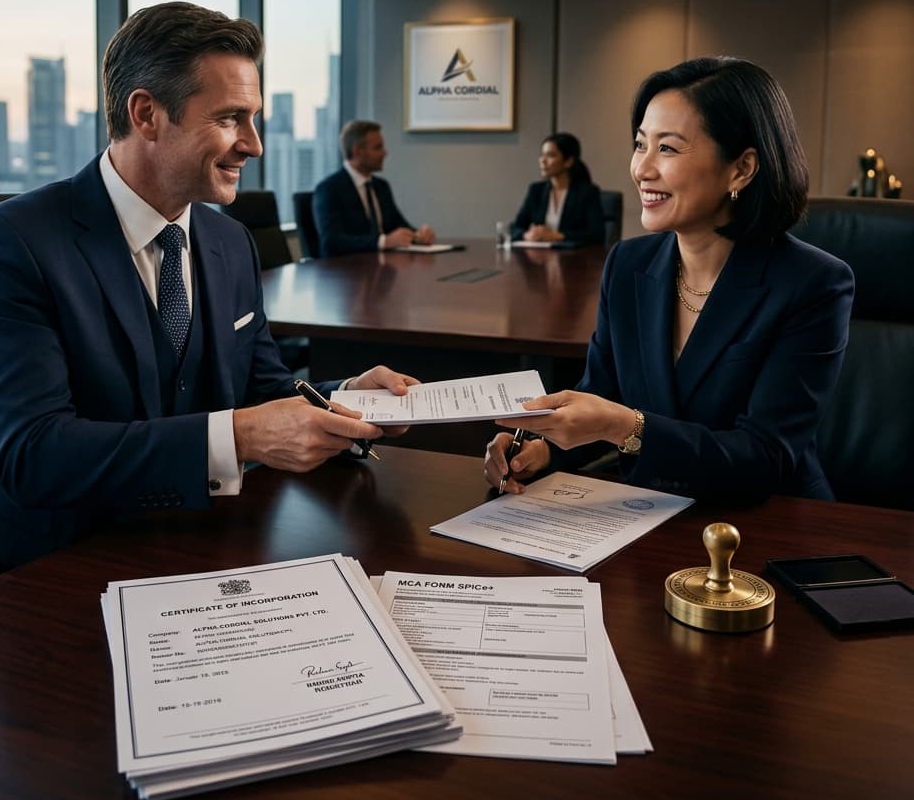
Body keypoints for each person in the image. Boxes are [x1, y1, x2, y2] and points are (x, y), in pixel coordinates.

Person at [0, 2, 415, 578]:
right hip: (42, 566)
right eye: (230, 118)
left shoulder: (230, 242)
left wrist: (347, 396)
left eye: (255, 118)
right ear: (146, 114)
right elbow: (33, 455)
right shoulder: (9, 244)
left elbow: (262, 386)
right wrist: (239, 437)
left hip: (193, 546)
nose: (254, 144)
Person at [485, 56, 854, 503]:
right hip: (646, 516)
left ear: (741, 169)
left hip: (769, 525)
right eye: (641, 145)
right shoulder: (626, 264)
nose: (642, 169)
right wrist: (542, 449)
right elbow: (599, 395)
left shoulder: (813, 283)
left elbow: (766, 455)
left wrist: (625, 425)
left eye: (668, 148)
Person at [312, 119, 435, 256]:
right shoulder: (329, 189)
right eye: (378, 147)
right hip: (345, 272)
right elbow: (331, 242)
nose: (385, 153)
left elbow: (398, 225)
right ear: (357, 151)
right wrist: (383, 241)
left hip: (381, 268)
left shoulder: (381, 186)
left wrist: (418, 236)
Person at [510, 132, 604, 245]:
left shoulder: (587, 192)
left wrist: (555, 236)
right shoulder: (536, 190)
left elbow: (597, 234)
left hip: (574, 259)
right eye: (542, 155)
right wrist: (527, 235)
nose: (542, 160)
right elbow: (515, 227)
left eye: (550, 155)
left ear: (568, 161)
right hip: (538, 258)